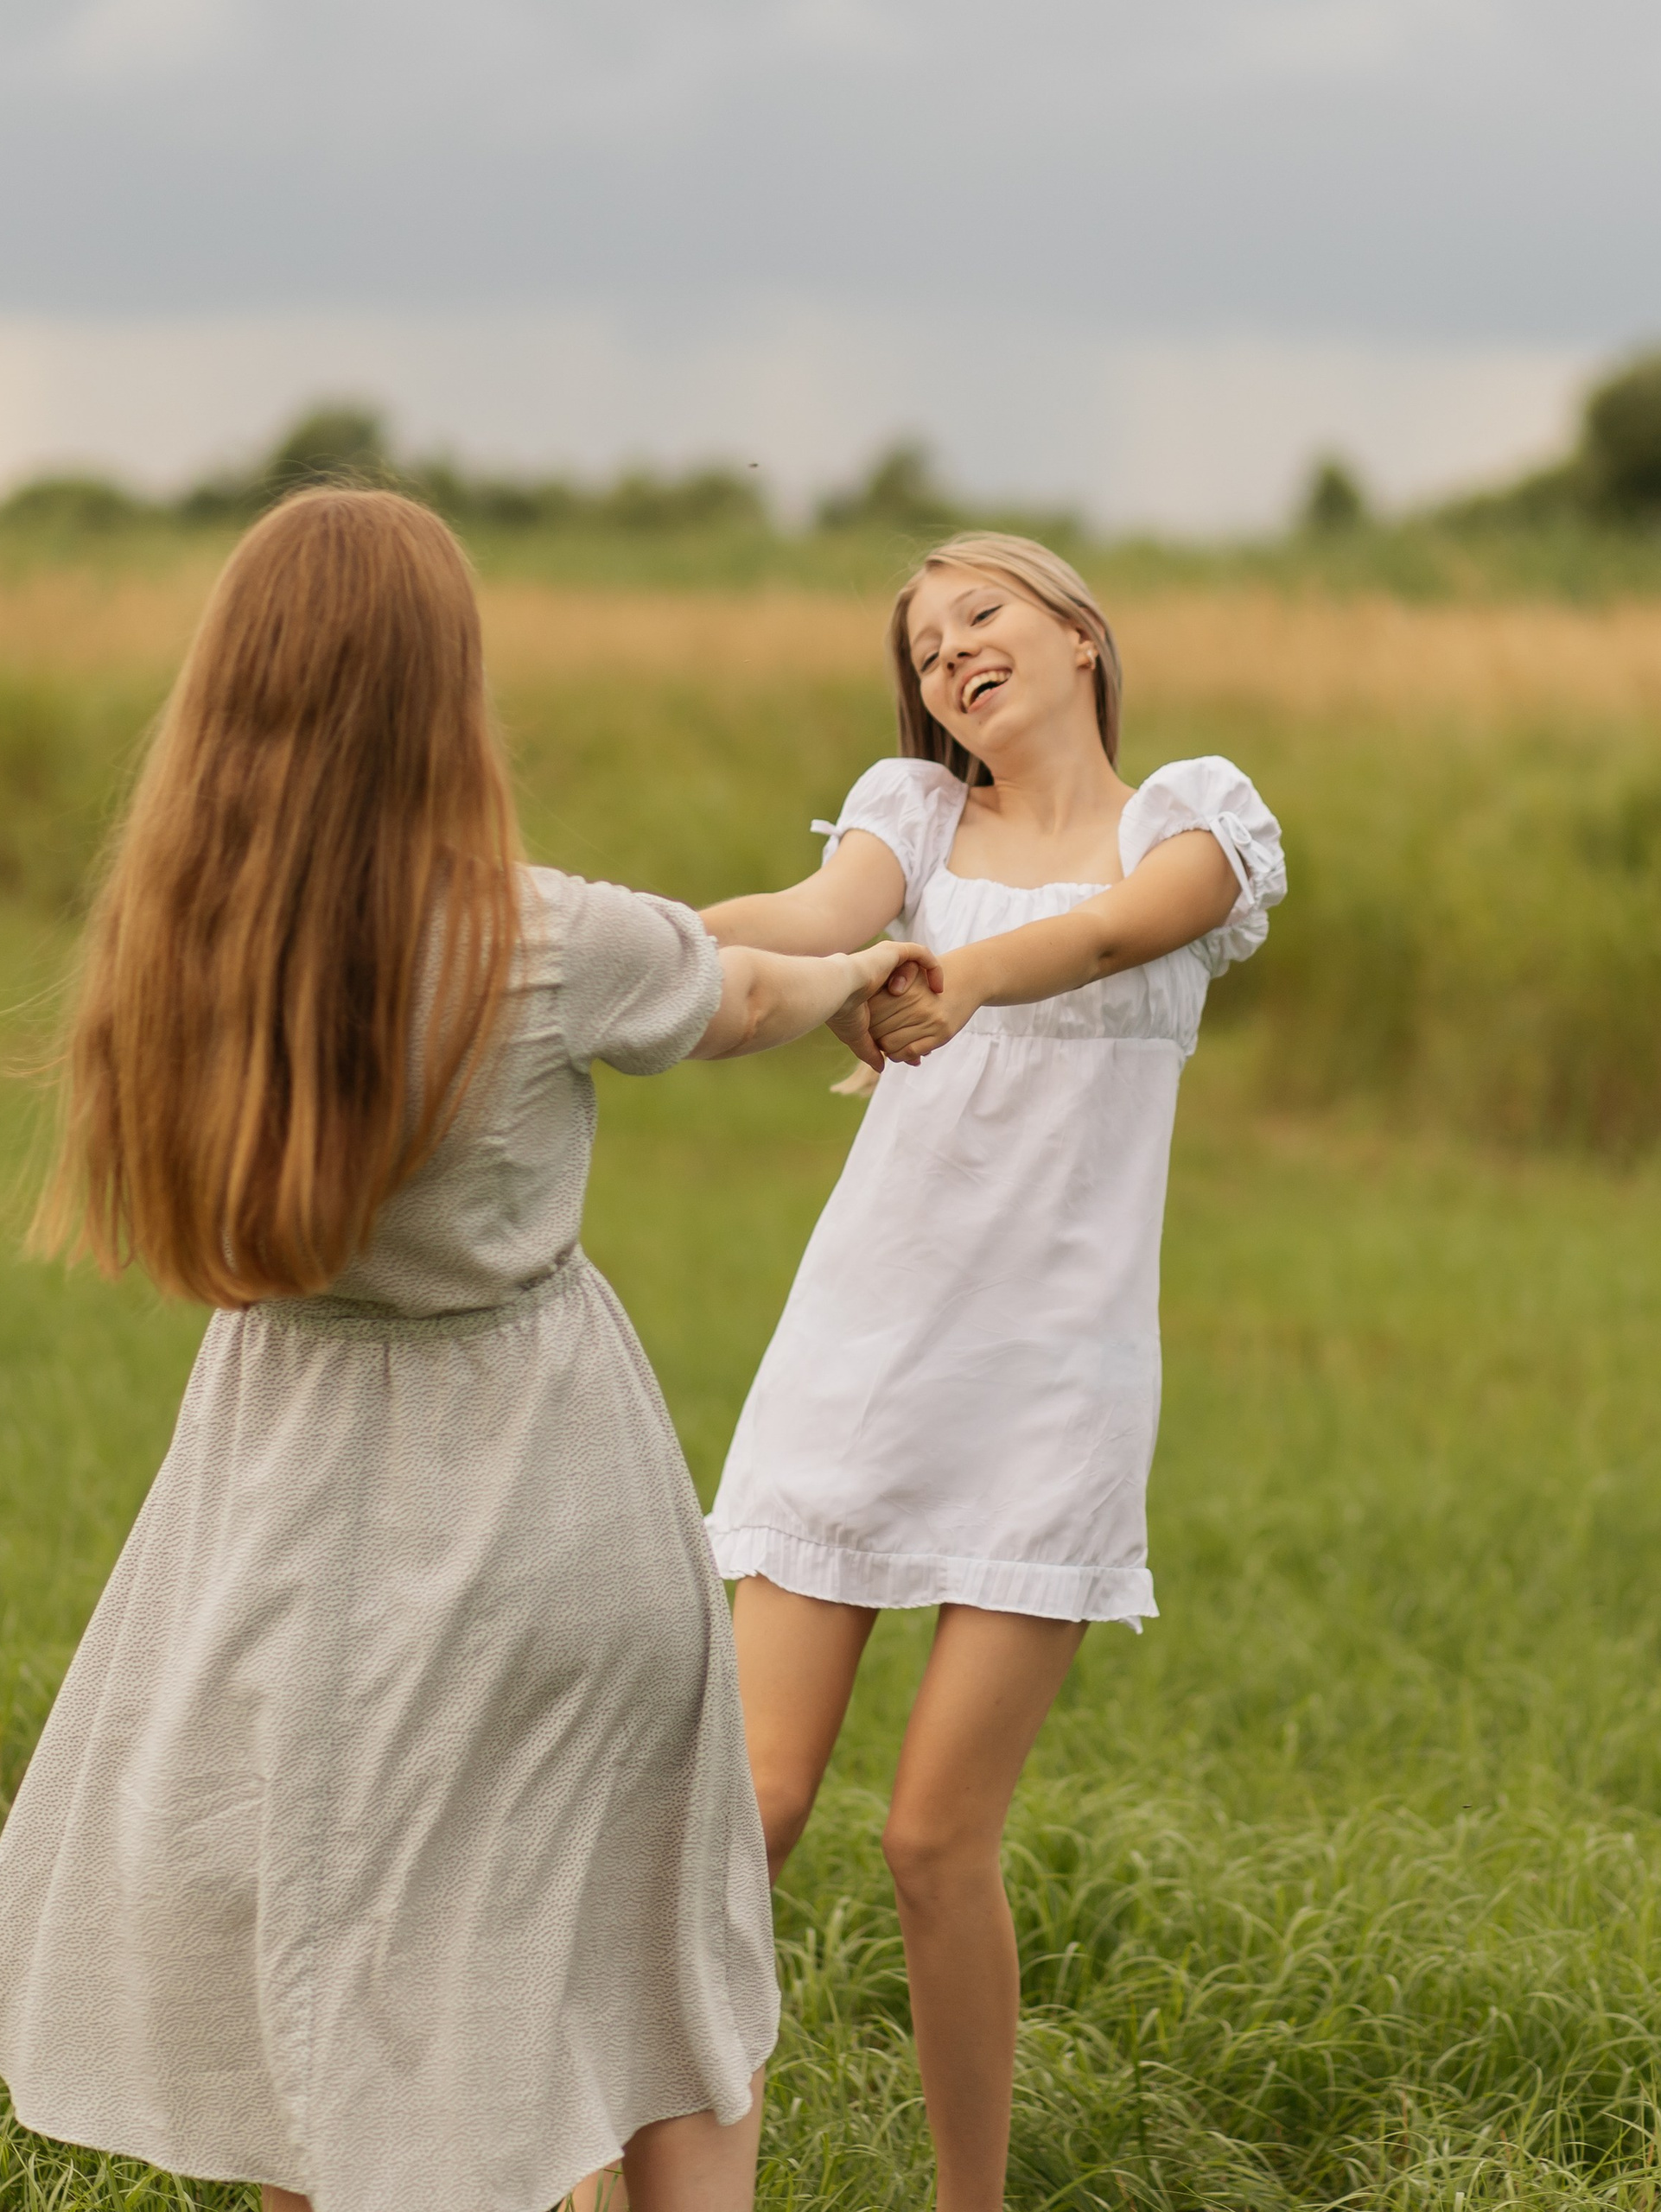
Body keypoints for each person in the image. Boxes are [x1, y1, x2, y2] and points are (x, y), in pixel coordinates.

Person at [0, 488, 928, 2212]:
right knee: (653, 1955)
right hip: (538, 1487)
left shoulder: (187, 943)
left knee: (325, 1972)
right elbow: (737, 992)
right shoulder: (541, 934)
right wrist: (860, 963)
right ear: (439, 692)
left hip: (279, 1488)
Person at [699, 532, 1285, 2212]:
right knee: (749, 1803)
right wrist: (623, 934)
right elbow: (817, 916)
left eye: (981, 614)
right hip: (860, 1355)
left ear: (1078, 632)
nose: (951, 650)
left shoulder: (1192, 810)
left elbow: (1120, 932)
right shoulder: (908, 813)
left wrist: (951, 979)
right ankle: (629, 2175)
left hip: (1052, 1385)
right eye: (924, 639)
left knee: (930, 1838)